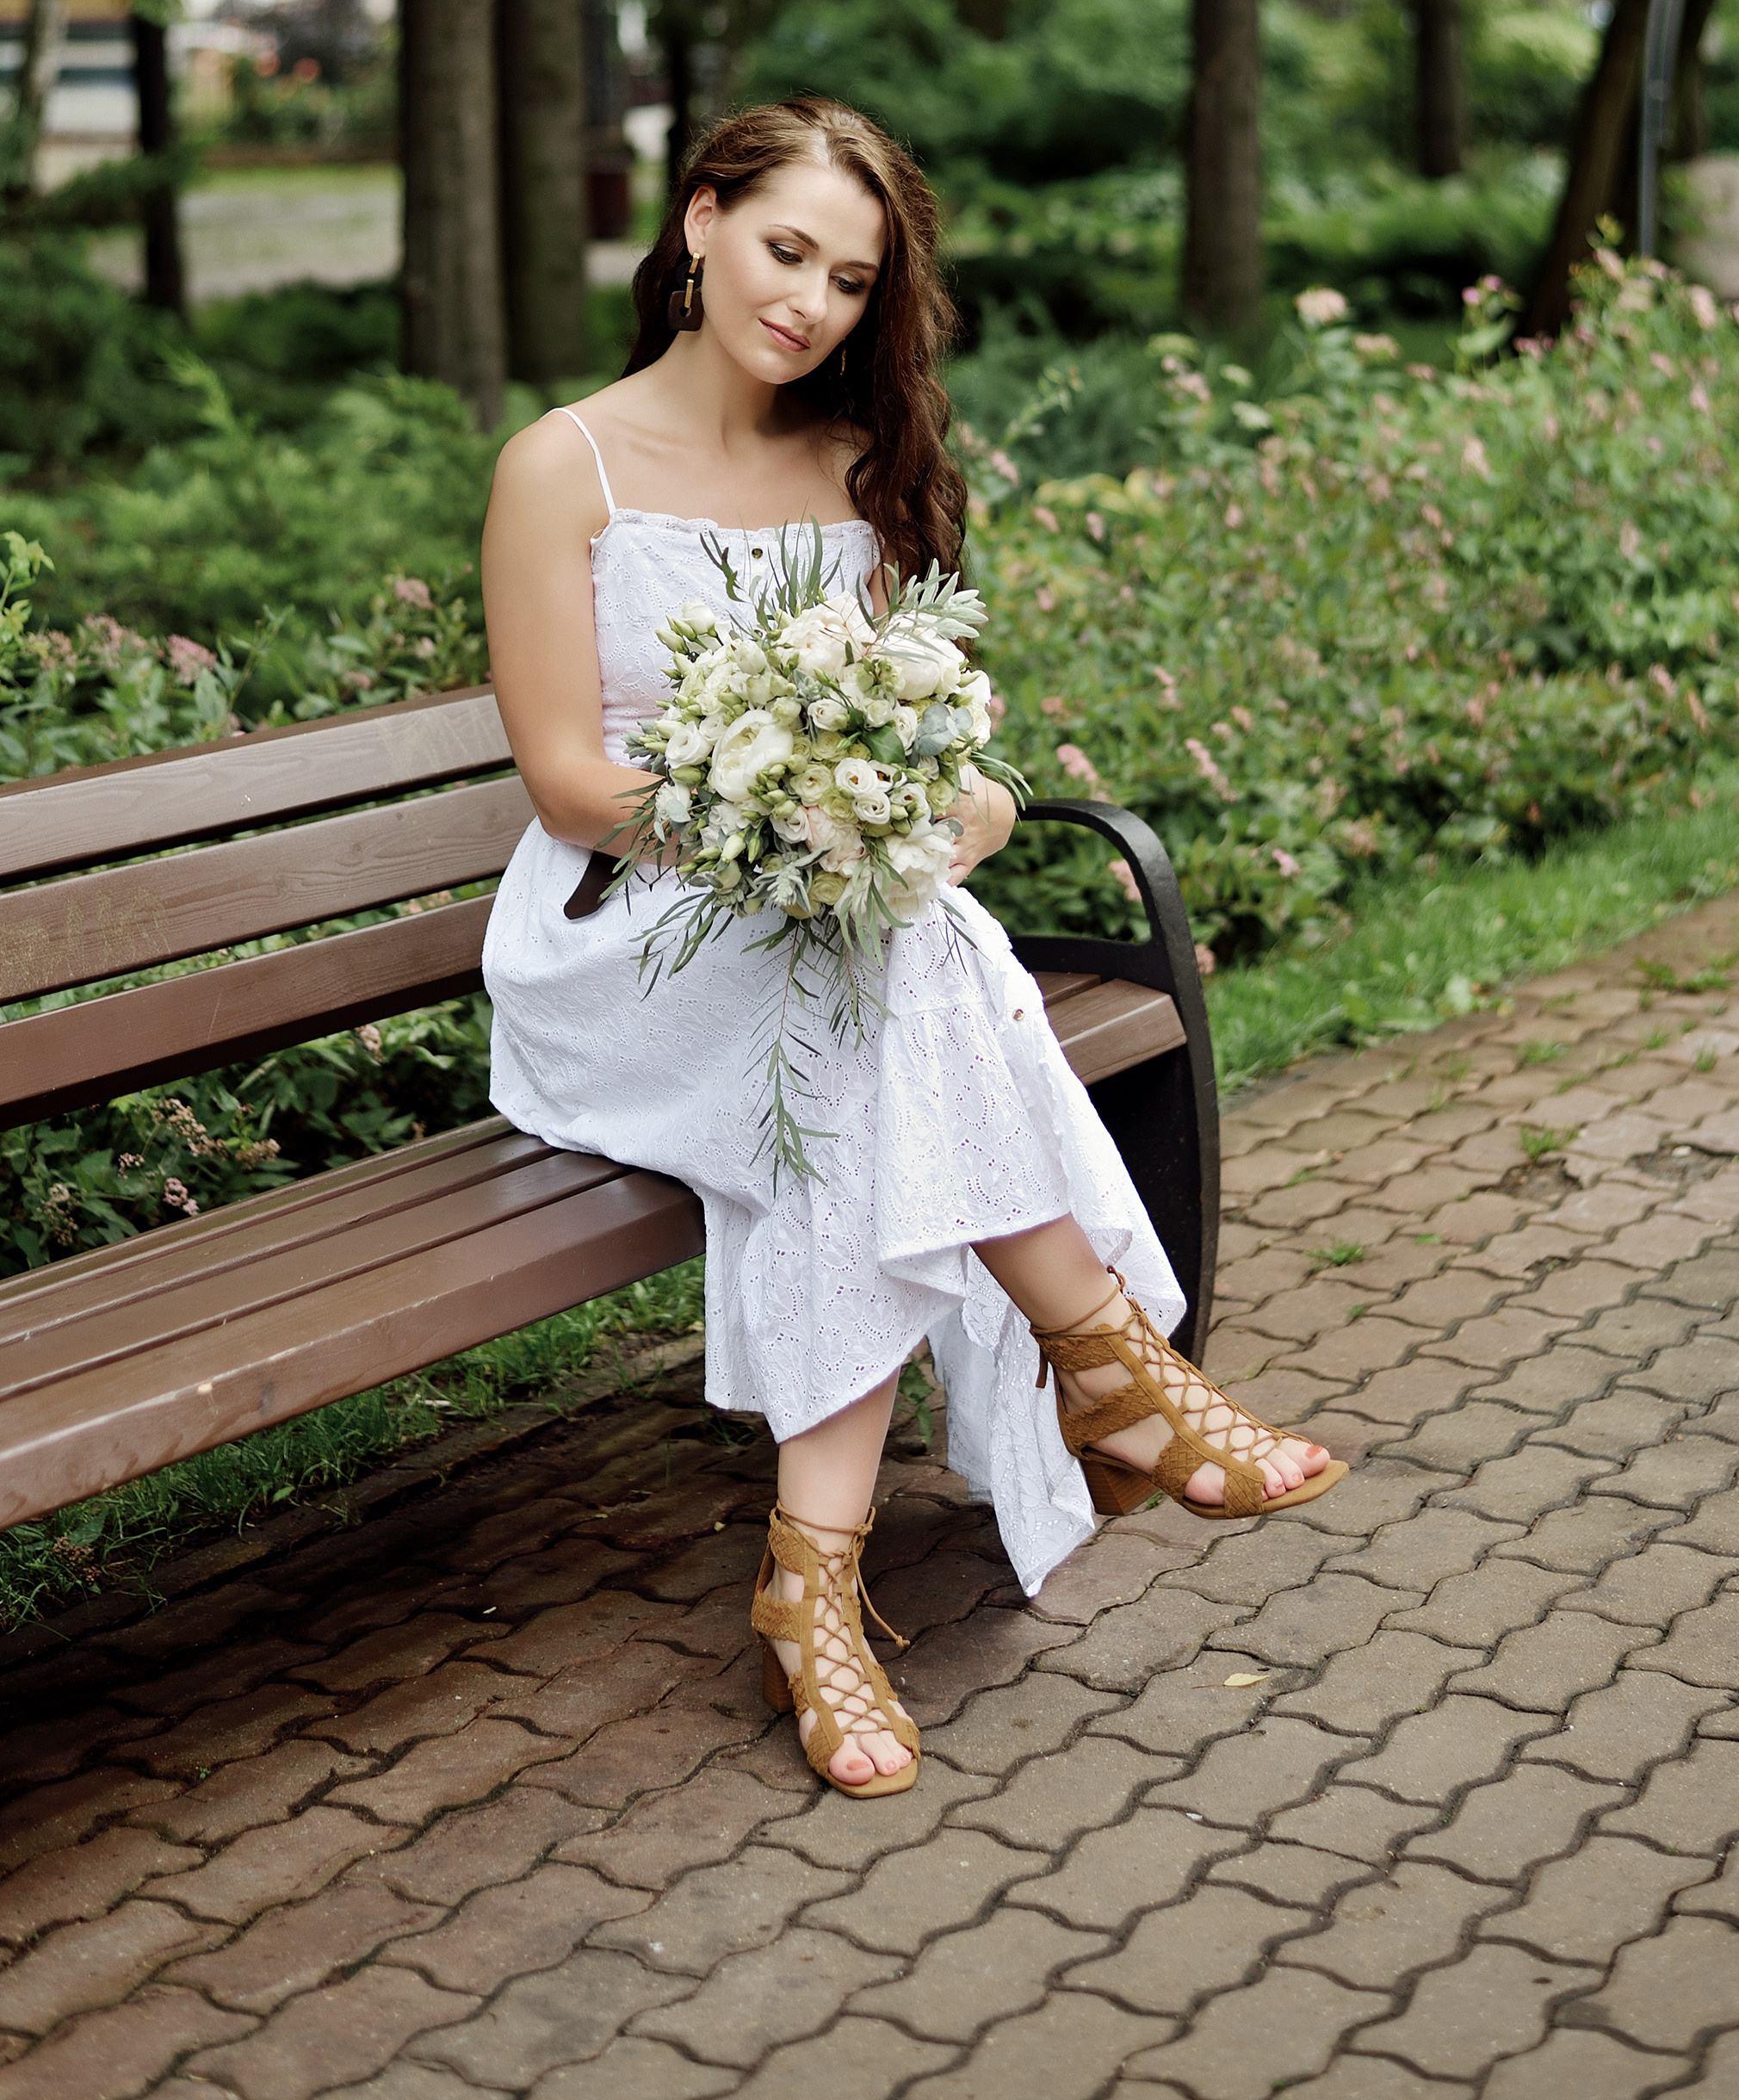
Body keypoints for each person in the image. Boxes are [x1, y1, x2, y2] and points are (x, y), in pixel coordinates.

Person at [482, 96, 1344, 1800]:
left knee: (871, 994)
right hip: (617, 942)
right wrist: (785, 822)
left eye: (849, 278)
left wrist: (959, 815)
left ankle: (817, 1580)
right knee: (886, 968)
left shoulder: (844, 465)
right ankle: (1111, 1365)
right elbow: (574, 781)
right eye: (783, 247)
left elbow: (946, 744)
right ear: (699, 218)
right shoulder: (558, 464)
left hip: (825, 937)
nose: (805, 299)